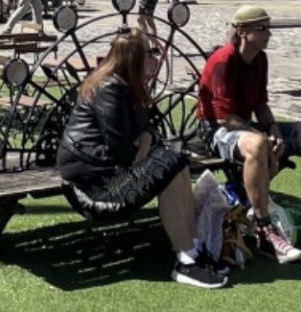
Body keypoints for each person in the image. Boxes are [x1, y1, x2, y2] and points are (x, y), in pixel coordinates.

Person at [57, 29, 226, 289]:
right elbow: (122, 152)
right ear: (134, 57)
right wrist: (146, 141)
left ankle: (193, 248)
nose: (156, 59)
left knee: (177, 161)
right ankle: (186, 261)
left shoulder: (126, 85)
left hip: (107, 171)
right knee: (169, 165)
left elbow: (149, 131)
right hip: (95, 184)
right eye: (151, 53)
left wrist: (146, 138)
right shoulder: (110, 88)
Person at [197, 5, 301, 264]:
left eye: (268, 27)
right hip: (215, 130)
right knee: (257, 144)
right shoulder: (224, 60)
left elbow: (260, 103)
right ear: (242, 31)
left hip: (246, 127)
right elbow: (223, 117)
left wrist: (272, 128)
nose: (268, 33)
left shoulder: (260, 59)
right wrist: (262, 136)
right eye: (261, 28)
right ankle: (264, 228)